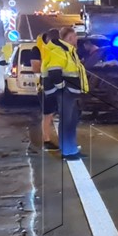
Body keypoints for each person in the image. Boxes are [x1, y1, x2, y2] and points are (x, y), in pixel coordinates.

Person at [41, 24, 89, 159]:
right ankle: (67, 152)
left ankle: (72, 149)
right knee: (66, 122)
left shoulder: (67, 51)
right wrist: (63, 88)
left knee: (71, 121)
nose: (76, 40)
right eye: (75, 37)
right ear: (69, 38)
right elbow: (54, 72)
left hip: (70, 93)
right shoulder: (59, 51)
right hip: (65, 93)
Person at [33, 29, 60, 150]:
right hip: (45, 87)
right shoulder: (37, 49)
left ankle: (57, 140)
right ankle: (46, 140)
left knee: (56, 113)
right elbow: (36, 68)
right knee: (48, 115)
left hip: (58, 85)